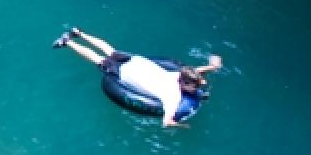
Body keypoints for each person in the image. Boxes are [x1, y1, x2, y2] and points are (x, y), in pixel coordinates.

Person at [57, 26, 222, 127]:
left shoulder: (178, 75)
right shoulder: (172, 96)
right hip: (126, 74)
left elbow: (196, 71)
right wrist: (180, 125)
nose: (198, 86)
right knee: (98, 59)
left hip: (137, 62)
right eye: (195, 86)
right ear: (185, 84)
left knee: (110, 50)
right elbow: (166, 122)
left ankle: (79, 33)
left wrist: (212, 67)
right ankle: (67, 42)